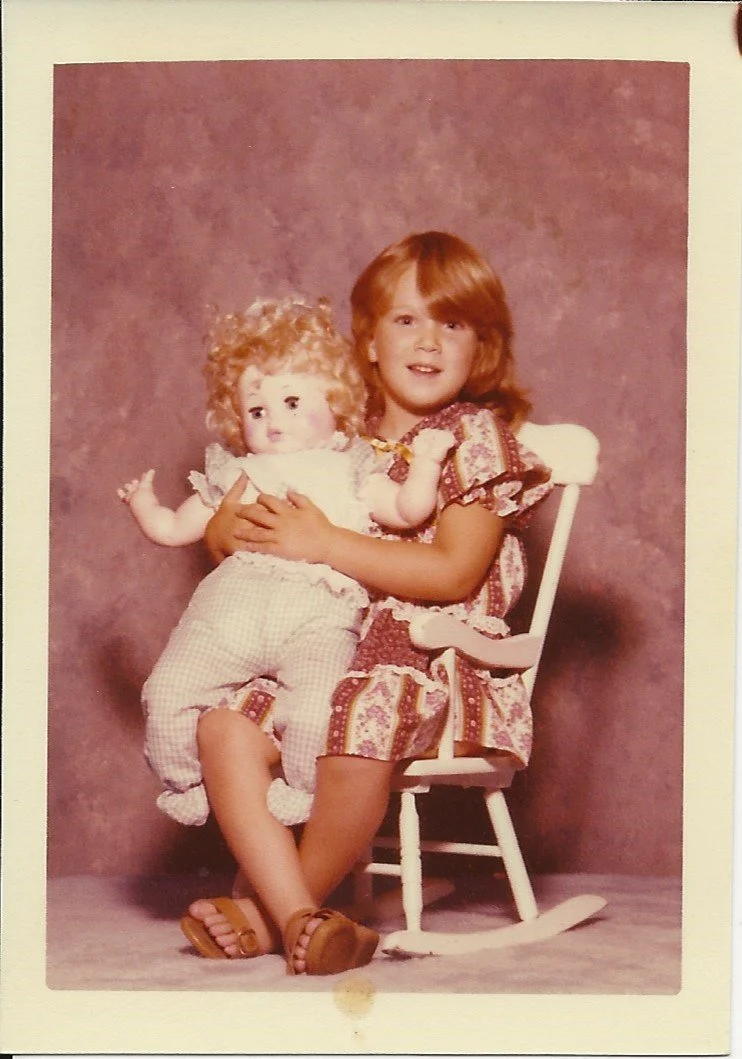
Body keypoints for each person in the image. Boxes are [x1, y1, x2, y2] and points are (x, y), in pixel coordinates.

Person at [179, 231, 553, 976]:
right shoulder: (333, 436)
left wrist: (324, 543)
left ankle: (271, 914)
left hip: (434, 651)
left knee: (361, 713)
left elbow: (452, 573)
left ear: (481, 347)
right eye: (406, 319)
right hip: (321, 643)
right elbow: (249, 530)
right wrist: (225, 526)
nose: (428, 340)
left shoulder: (472, 439)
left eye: (453, 322)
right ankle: (299, 915)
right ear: (370, 342)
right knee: (224, 727)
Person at [119, 295, 455, 831]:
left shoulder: (352, 468)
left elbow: (408, 510)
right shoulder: (236, 473)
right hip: (228, 613)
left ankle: (302, 789)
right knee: (167, 690)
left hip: (317, 615)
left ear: (335, 401)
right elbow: (174, 529)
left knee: (318, 707)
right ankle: (184, 784)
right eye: (257, 411)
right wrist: (144, 505)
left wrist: (428, 464)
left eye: (292, 402)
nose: (274, 421)